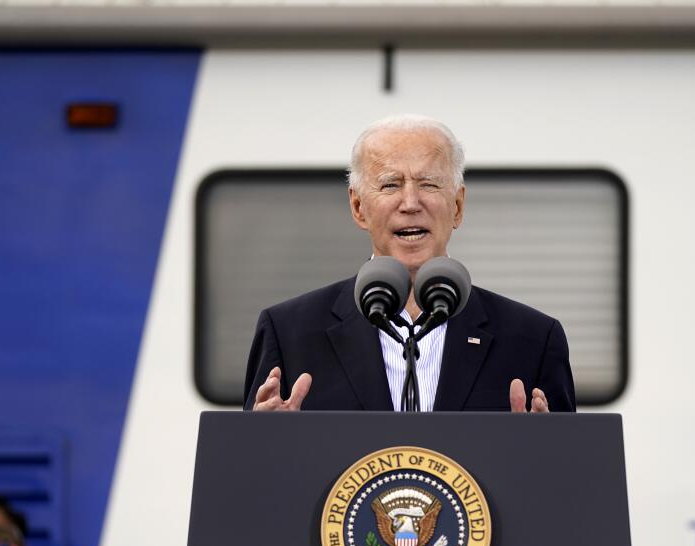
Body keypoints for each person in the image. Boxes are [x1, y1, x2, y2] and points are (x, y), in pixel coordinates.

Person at [244, 114, 576, 413]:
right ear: (358, 207)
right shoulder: (289, 334)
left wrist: (540, 451)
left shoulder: (533, 340)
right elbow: (244, 475)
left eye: (429, 184)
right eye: (390, 184)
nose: (411, 203)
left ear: (457, 206)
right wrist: (266, 444)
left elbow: (572, 475)